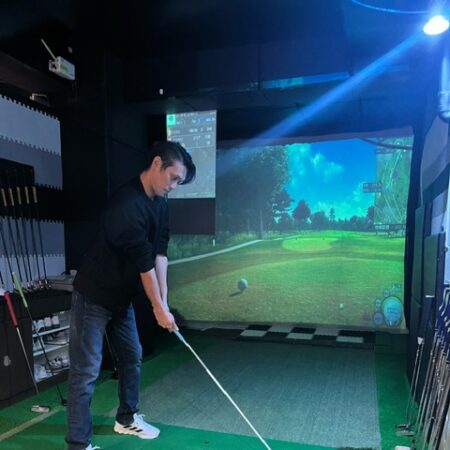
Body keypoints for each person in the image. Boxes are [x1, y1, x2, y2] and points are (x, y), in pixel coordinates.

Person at [65, 141, 196, 450]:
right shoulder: (126, 205)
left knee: (131, 356)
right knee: (86, 370)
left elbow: (160, 251)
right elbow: (143, 264)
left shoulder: (160, 202)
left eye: (179, 182)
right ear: (157, 164)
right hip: (94, 295)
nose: (174, 186)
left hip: (121, 298)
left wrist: (164, 301)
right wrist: (157, 308)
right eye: (174, 178)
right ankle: (78, 444)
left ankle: (126, 419)